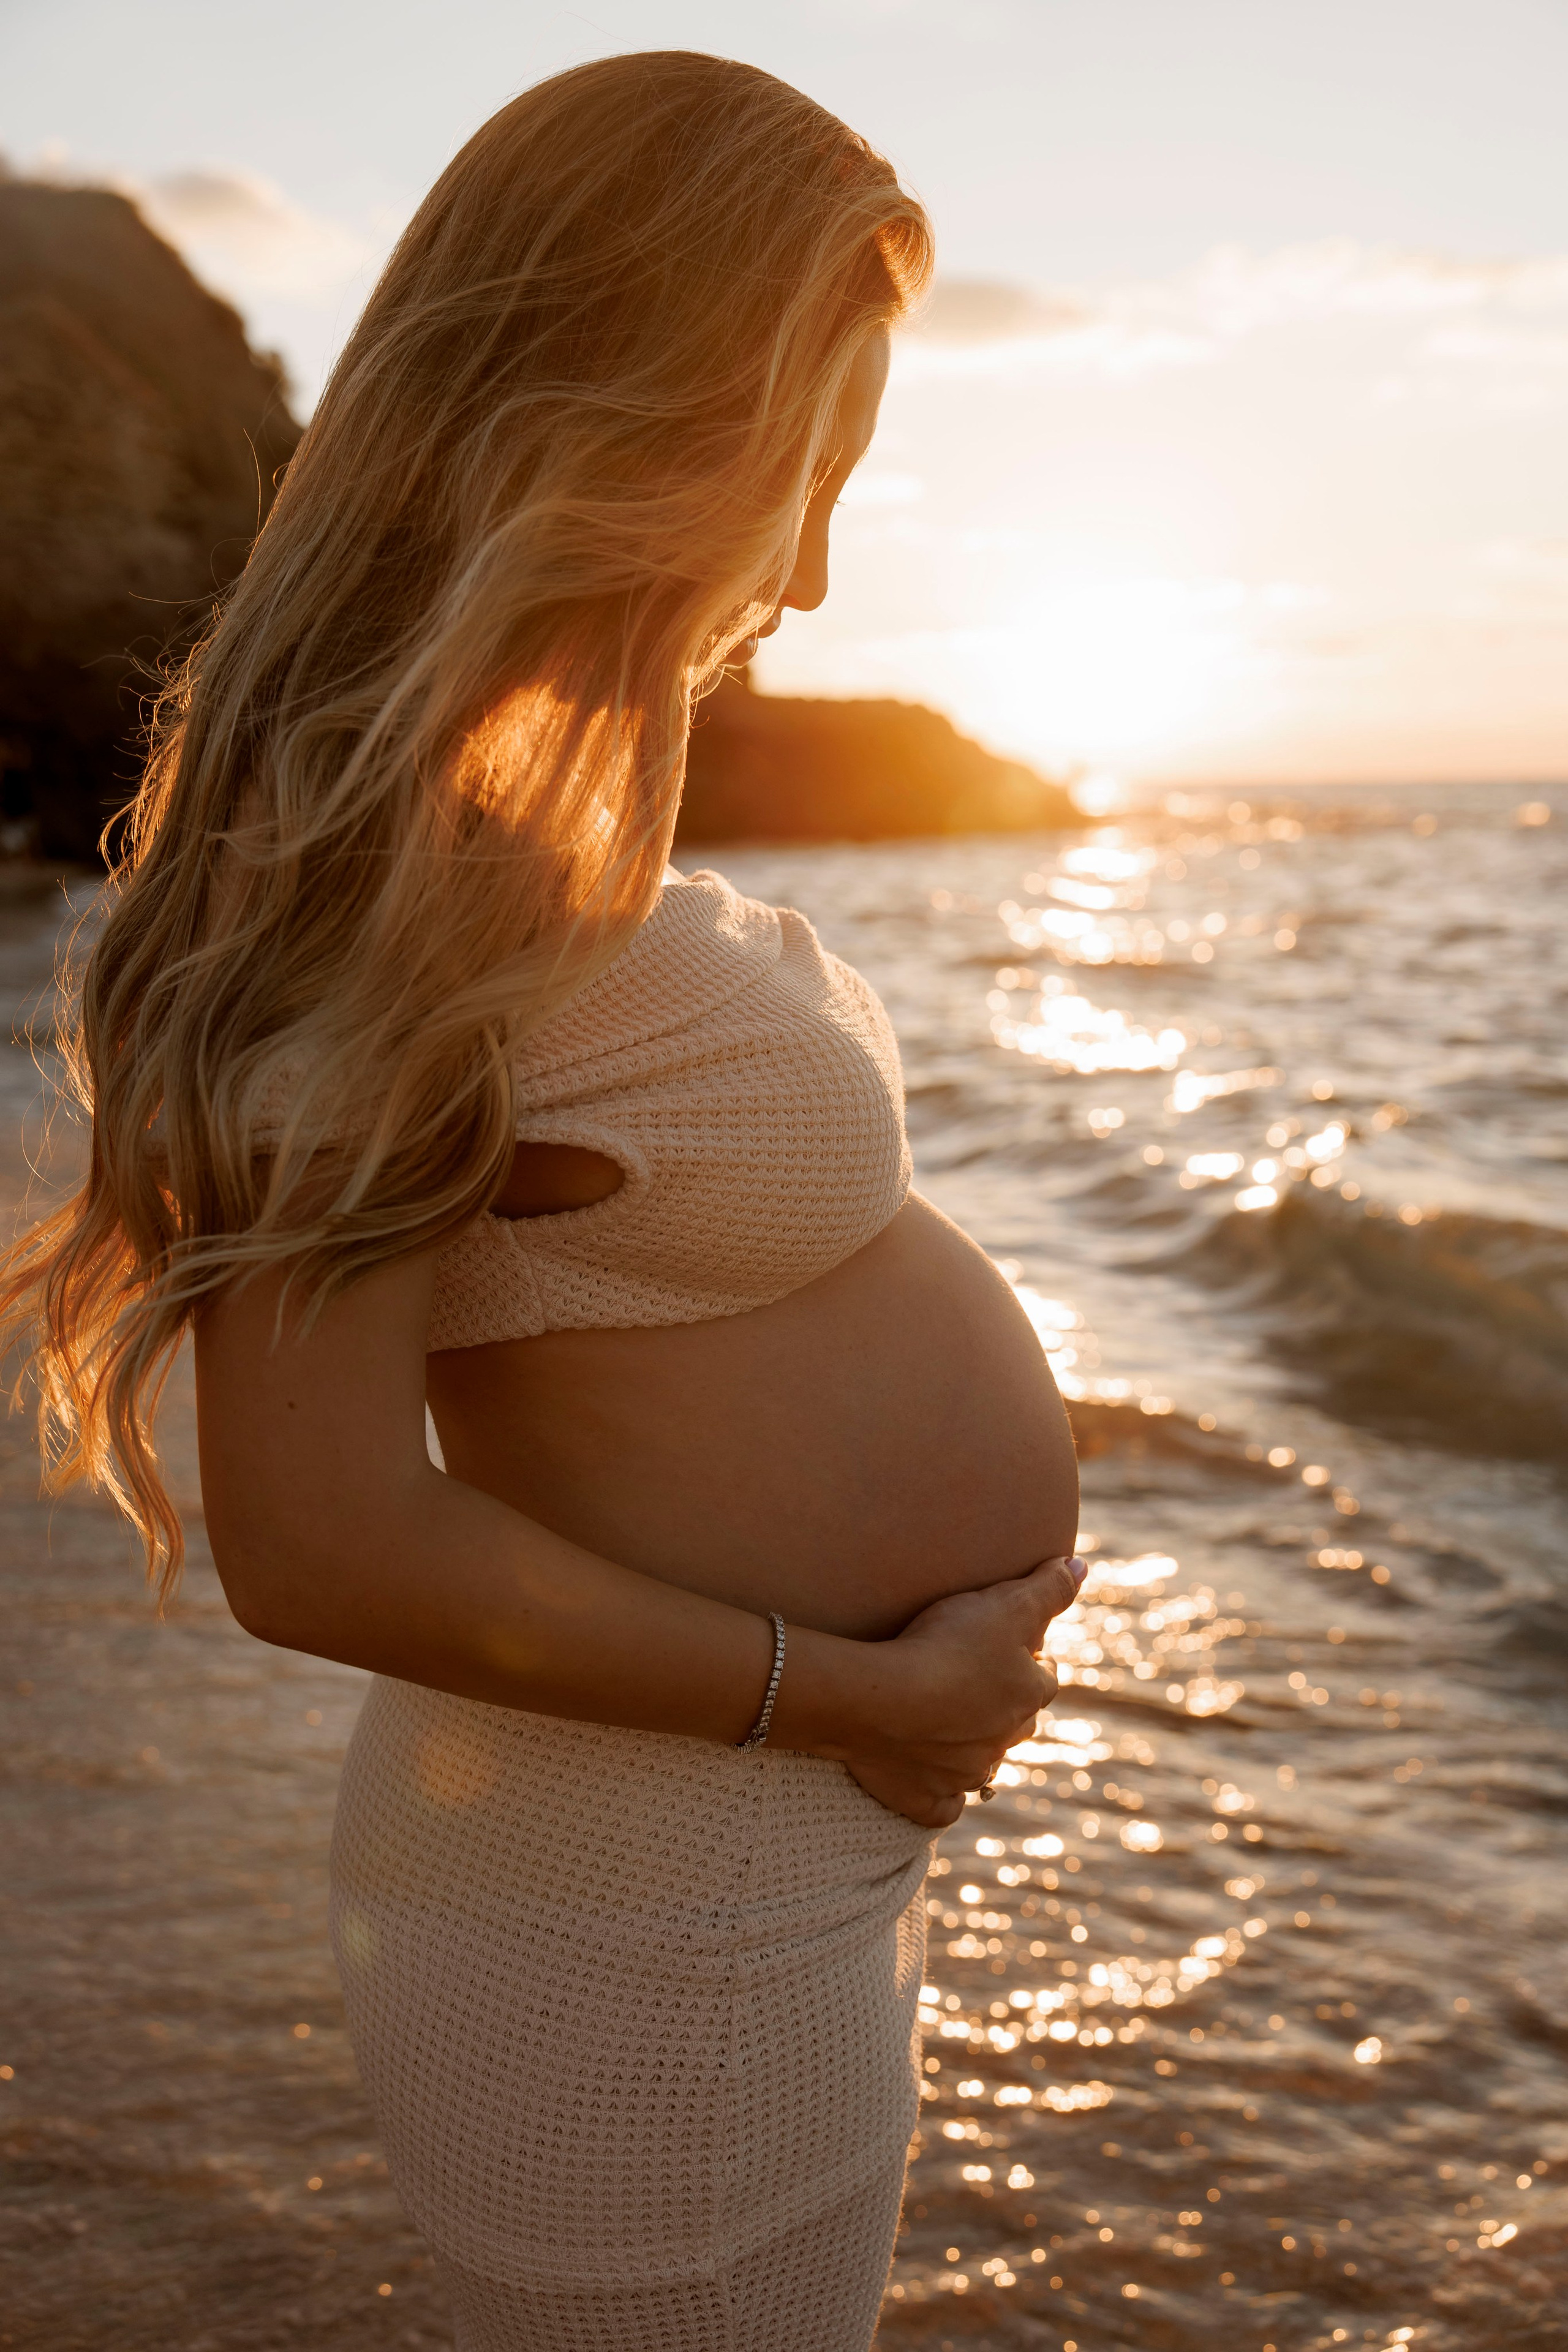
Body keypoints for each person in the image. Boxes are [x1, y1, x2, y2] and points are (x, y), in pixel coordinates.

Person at [1, 53, 1084, 2351]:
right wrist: (855, 1698)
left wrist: (871, 1725)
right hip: (646, 1912)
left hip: (725, 1868)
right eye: (802, 474)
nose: (811, 569)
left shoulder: (505, 837)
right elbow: (319, 1546)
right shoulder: (380, 876)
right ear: (631, 421)